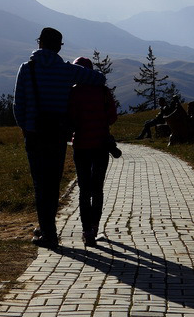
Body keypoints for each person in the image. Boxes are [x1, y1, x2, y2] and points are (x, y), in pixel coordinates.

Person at [14, 27, 105, 248]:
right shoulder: (66, 70)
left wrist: (26, 128)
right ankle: (48, 229)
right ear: (58, 47)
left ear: (39, 43)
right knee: (53, 183)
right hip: (57, 134)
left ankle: (48, 232)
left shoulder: (27, 69)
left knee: (40, 183)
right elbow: (99, 79)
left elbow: (18, 105)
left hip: (34, 134)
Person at [69, 57, 118, 246]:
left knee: (84, 189)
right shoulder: (104, 91)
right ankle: (95, 226)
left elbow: (70, 119)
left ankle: (86, 230)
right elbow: (112, 117)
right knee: (97, 188)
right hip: (100, 146)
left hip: (81, 146)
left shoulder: (73, 92)